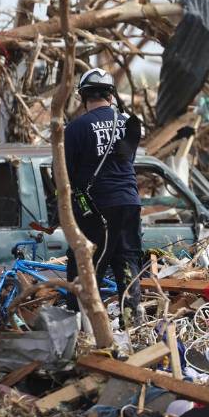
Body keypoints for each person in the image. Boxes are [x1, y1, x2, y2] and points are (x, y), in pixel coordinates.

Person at [64, 68, 142, 325]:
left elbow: (66, 174)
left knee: (85, 264)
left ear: (83, 97)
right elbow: (127, 160)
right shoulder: (129, 122)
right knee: (128, 260)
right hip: (129, 202)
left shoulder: (75, 128)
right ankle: (132, 323)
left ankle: (83, 326)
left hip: (97, 208)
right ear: (111, 94)